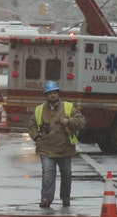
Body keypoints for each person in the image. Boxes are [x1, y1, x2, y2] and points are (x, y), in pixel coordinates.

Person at [28, 80, 85, 208]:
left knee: (66, 175)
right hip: (46, 150)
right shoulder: (39, 110)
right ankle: (46, 198)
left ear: (58, 94)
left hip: (65, 150)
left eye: (54, 92)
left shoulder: (68, 107)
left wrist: (69, 121)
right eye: (50, 93)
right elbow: (31, 125)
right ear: (46, 96)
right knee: (48, 174)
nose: (52, 95)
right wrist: (36, 137)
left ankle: (65, 197)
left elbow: (81, 121)